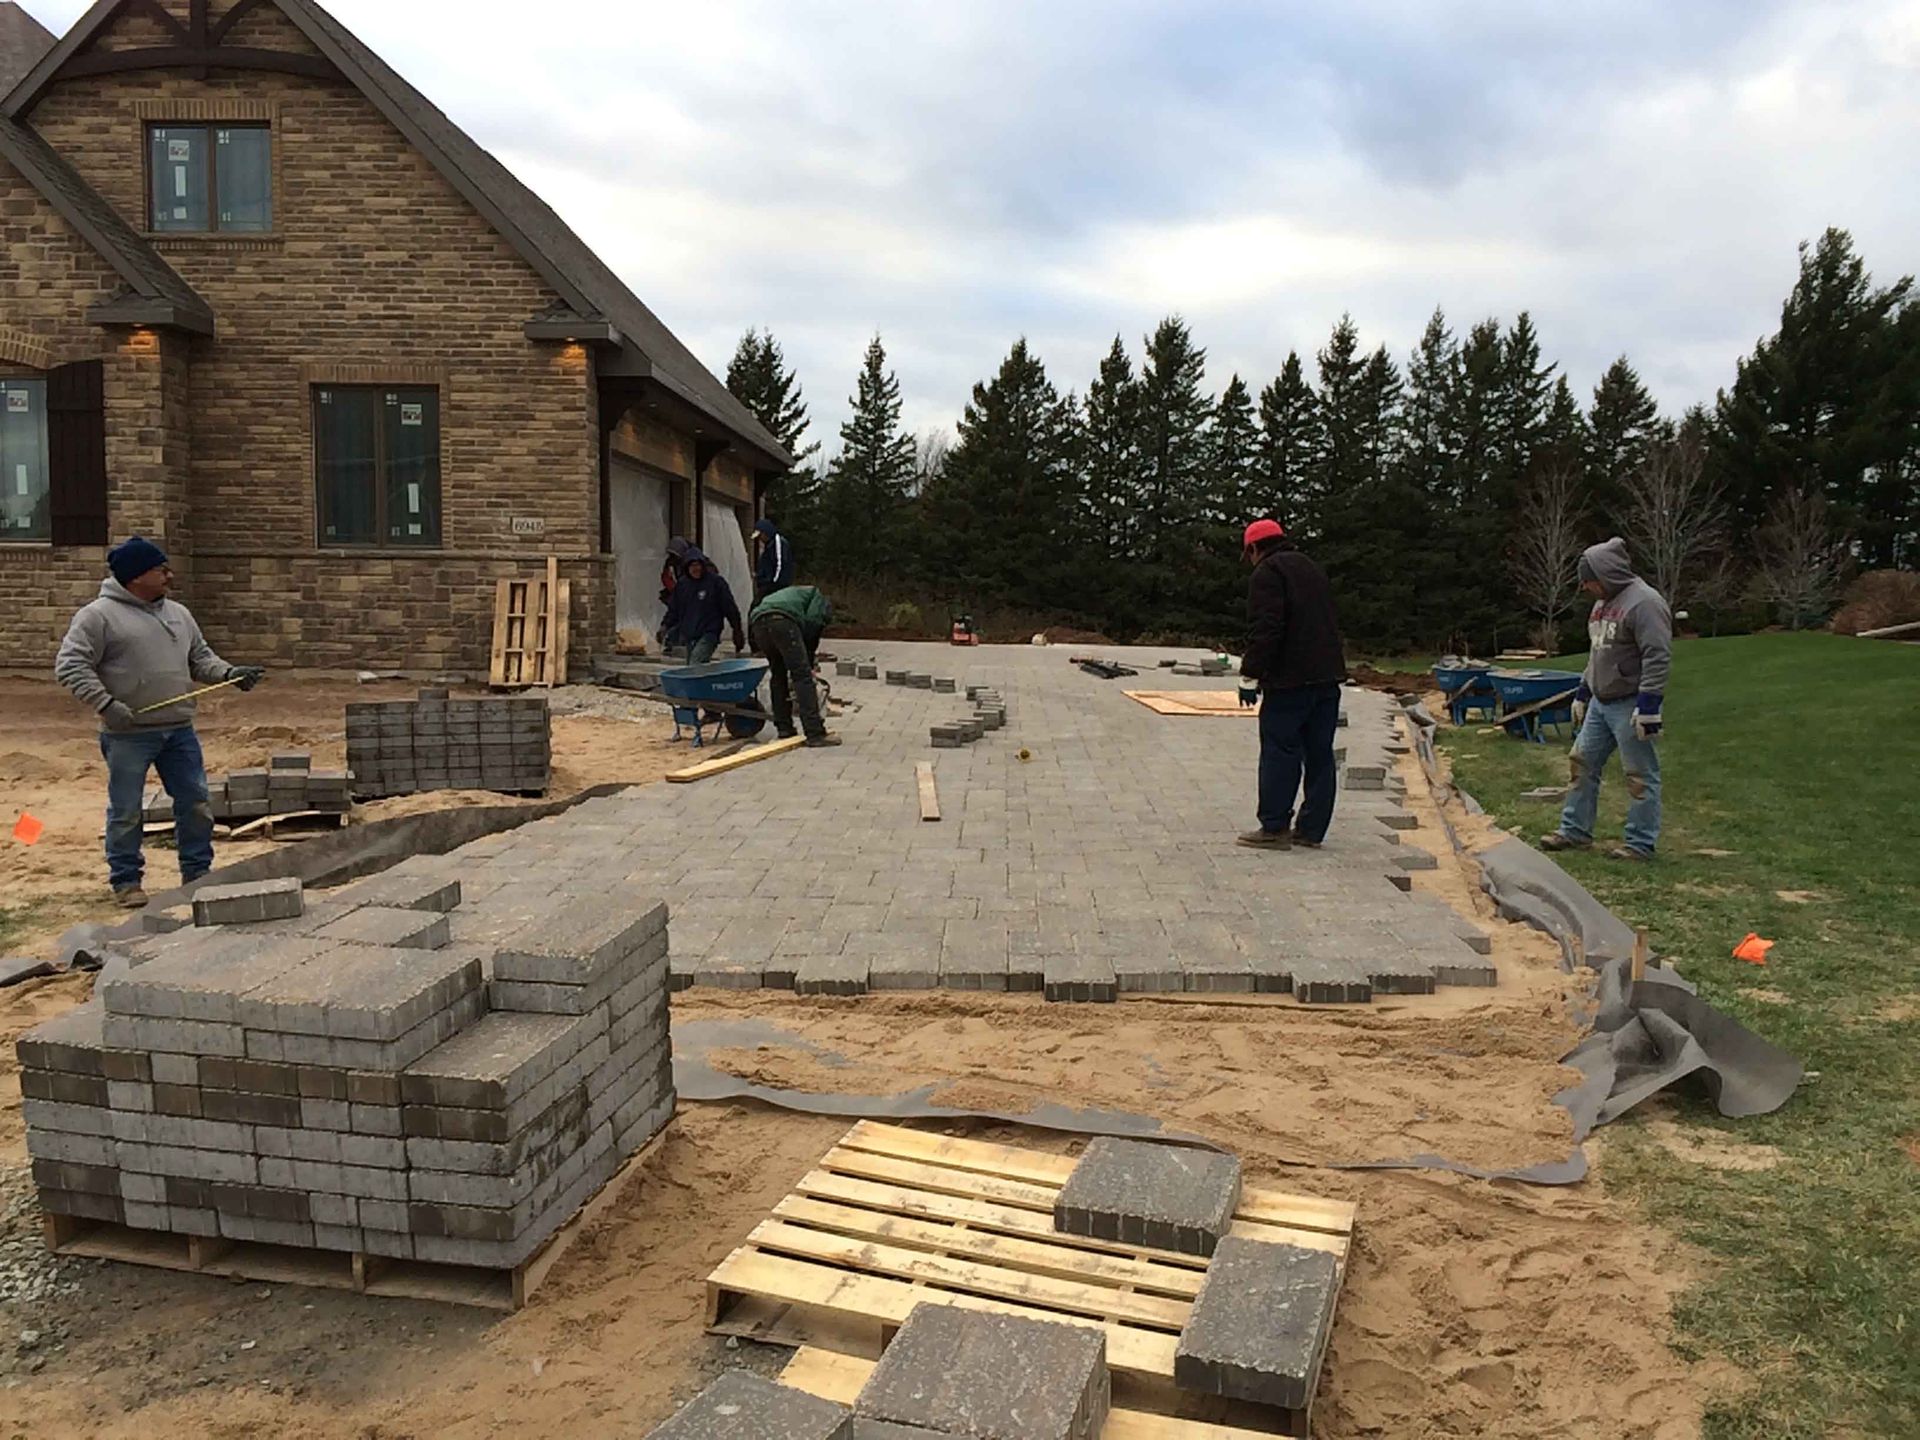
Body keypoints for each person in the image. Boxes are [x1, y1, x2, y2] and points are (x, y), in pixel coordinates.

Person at [53, 537, 266, 907]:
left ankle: (197, 873)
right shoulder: (97, 617)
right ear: (136, 576)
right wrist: (106, 704)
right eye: (160, 570)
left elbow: (200, 659)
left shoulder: (179, 614)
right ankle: (126, 881)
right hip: (127, 735)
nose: (169, 575)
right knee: (126, 810)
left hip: (179, 731)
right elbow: (70, 666)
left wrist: (230, 673)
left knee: (196, 803)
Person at [1541, 537, 1671, 861]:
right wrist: (1583, 692)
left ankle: (1640, 843)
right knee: (1582, 763)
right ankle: (1575, 831)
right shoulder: (1601, 605)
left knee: (1640, 774)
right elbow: (1597, 653)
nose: (1585, 587)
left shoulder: (1645, 603)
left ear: (1607, 573)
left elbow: (1657, 655)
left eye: (1589, 580)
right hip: (1600, 703)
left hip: (1631, 703)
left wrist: (1649, 705)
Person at [1235, 519, 1346, 851]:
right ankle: (1311, 831)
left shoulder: (1268, 573)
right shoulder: (1311, 567)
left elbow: (1266, 628)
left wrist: (1250, 674)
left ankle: (1274, 828)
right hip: (1327, 678)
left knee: (1280, 750)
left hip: (1289, 682)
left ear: (1255, 548)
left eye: (1249, 554)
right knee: (1320, 754)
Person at [747, 584, 840, 747]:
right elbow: (813, 624)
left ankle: (784, 728)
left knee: (778, 674)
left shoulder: (793, 595)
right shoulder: (818, 597)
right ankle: (814, 733)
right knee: (802, 677)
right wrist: (808, 662)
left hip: (758, 623)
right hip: (781, 622)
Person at [658, 547, 744, 665]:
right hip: (690, 633)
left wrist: (737, 629)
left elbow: (729, 607)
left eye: (698, 565)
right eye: (692, 566)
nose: (695, 569)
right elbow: (674, 609)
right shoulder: (683, 585)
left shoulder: (715, 583)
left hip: (709, 632)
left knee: (696, 662)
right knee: (693, 666)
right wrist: (665, 626)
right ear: (687, 567)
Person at [752, 518, 795, 600]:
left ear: (765, 533)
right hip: (767, 584)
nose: (760, 539)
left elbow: (780, 564)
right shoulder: (768, 546)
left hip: (775, 586)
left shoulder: (778, 543)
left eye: (760, 536)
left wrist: (774, 583)